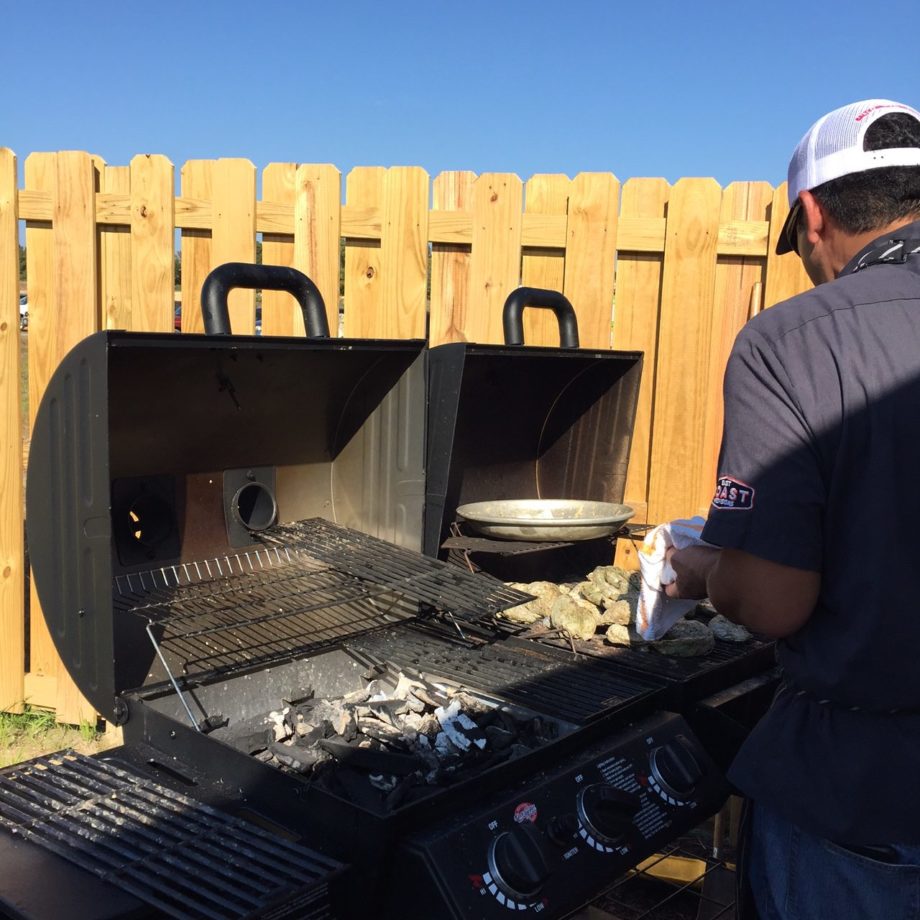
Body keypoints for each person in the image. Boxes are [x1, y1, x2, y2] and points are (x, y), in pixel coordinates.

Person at [665, 99, 920, 919]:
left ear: (812, 216)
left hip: (871, 802)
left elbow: (774, 600)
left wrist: (698, 566)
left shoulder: (795, 339)